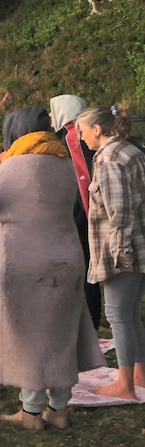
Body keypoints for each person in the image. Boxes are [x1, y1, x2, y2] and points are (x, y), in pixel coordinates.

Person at [0, 106, 104, 431]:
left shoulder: (13, 166)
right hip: (67, 260)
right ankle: (58, 410)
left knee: (31, 339)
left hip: (26, 264)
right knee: (61, 337)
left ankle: (30, 413)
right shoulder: (65, 164)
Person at [76, 105, 145, 399]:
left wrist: (120, 253)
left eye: (82, 131)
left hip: (123, 252)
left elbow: (121, 212)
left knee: (118, 315)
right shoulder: (130, 151)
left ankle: (125, 384)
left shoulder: (109, 158)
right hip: (137, 246)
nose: (80, 137)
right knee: (130, 315)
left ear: (97, 129)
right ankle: (139, 375)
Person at [50, 94, 102, 330]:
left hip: (82, 211)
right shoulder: (76, 134)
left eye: (53, 110)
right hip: (83, 209)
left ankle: (90, 320)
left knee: (86, 266)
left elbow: (83, 174)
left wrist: (83, 213)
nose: (50, 116)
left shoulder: (73, 136)